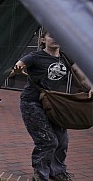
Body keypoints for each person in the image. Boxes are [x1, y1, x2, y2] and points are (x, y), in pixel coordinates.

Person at [10, 28, 92, 181]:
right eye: (51, 36)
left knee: (62, 141)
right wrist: (15, 71)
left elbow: (81, 78)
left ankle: (57, 171)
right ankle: (40, 175)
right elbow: (13, 70)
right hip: (32, 103)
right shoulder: (34, 57)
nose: (55, 38)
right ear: (43, 40)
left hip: (54, 104)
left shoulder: (66, 58)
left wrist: (91, 87)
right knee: (48, 141)